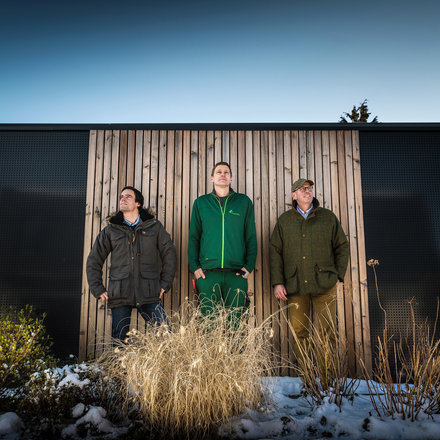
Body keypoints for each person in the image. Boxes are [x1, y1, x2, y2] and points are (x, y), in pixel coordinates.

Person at [269, 178, 349, 358]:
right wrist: (278, 282)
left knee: (327, 333)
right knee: (300, 334)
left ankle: (327, 383)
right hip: (295, 285)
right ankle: (309, 380)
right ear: (294, 195)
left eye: (310, 188)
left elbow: (342, 246)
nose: (308, 191)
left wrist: (338, 274)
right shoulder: (285, 221)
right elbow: (275, 252)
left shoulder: (327, 217)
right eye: (303, 189)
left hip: (324, 284)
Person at [86, 186, 177, 342]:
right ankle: (119, 367)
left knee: (165, 336)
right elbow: (94, 259)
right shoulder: (111, 230)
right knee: (119, 342)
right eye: (121, 196)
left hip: (149, 292)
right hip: (120, 292)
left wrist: (164, 283)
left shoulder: (154, 227)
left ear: (138, 203)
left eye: (128, 196)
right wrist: (98, 288)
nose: (123, 199)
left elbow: (170, 254)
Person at [188, 162, 257, 323]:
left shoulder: (243, 202)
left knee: (236, 326)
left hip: (237, 274)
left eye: (226, 172)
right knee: (210, 325)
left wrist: (249, 266)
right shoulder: (201, 203)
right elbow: (194, 237)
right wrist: (195, 267)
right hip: (208, 274)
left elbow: (251, 237)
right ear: (212, 178)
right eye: (219, 172)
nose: (223, 174)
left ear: (231, 178)